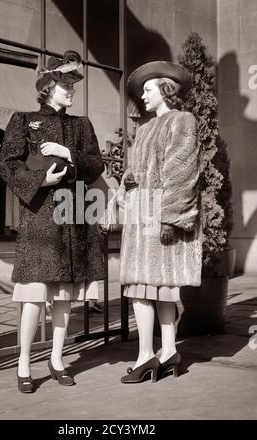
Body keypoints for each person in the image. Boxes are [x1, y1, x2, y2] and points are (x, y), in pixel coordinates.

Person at [0, 50, 104, 393]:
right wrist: (40, 182)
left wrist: (67, 154)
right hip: (40, 218)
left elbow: (96, 166)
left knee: (63, 297)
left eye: (73, 83)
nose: (71, 89)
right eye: (64, 83)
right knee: (32, 296)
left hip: (73, 217)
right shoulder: (23, 120)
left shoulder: (81, 125)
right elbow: (7, 164)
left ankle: (57, 359)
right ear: (48, 86)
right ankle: (24, 362)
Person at [117, 61, 202, 383]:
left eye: (148, 89)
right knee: (149, 287)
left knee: (153, 288)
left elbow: (182, 170)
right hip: (142, 216)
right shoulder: (145, 128)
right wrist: (128, 183)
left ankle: (151, 355)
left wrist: (172, 218)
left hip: (161, 217)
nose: (143, 95)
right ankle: (165, 353)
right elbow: (136, 169)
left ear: (166, 89)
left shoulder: (182, 120)